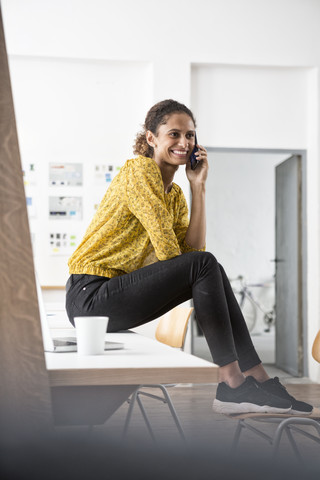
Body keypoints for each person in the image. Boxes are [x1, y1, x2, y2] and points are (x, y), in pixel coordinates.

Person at [66, 99, 313, 415]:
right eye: (174, 134)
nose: (184, 143)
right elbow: (177, 258)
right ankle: (232, 383)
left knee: (210, 265)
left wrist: (198, 188)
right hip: (90, 296)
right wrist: (193, 264)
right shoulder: (140, 171)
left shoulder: (175, 195)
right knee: (206, 264)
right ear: (151, 138)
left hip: (114, 295)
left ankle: (256, 377)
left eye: (191, 135)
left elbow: (192, 256)